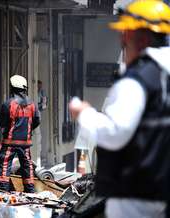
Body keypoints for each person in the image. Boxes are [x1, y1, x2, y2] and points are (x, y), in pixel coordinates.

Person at [69, 1, 170, 217]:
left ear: (140, 38)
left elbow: (115, 133)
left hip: (136, 200)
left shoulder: (137, 81)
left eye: (125, 36)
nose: (122, 40)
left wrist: (84, 113)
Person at [0, 74, 40, 193]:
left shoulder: (8, 104)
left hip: (9, 142)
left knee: (5, 164)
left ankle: (3, 190)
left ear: (12, 88)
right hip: (25, 142)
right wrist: (27, 130)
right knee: (27, 165)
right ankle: (30, 191)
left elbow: (1, 123)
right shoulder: (32, 104)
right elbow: (37, 121)